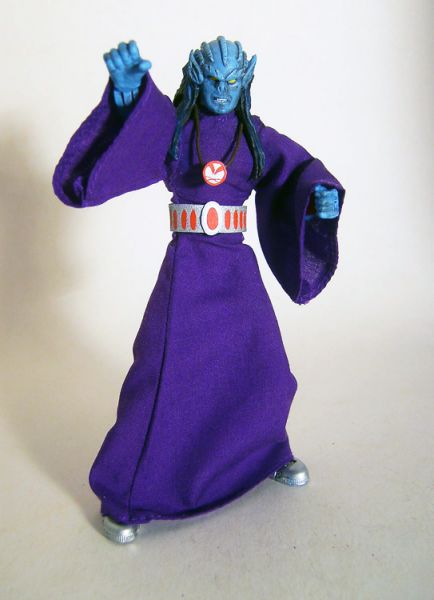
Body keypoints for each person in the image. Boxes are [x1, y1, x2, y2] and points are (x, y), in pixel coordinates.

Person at [52, 36, 345, 544]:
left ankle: (265, 450)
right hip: (188, 269)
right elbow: (140, 140)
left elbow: (295, 170)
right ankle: (129, 493)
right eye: (213, 79)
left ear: (247, 78)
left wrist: (319, 196)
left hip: (236, 268)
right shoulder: (178, 131)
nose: (223, 89)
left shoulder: (253, 136)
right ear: (195, 75)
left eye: (233, 79)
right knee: (165, 377)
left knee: (265, 364)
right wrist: (128, 96)